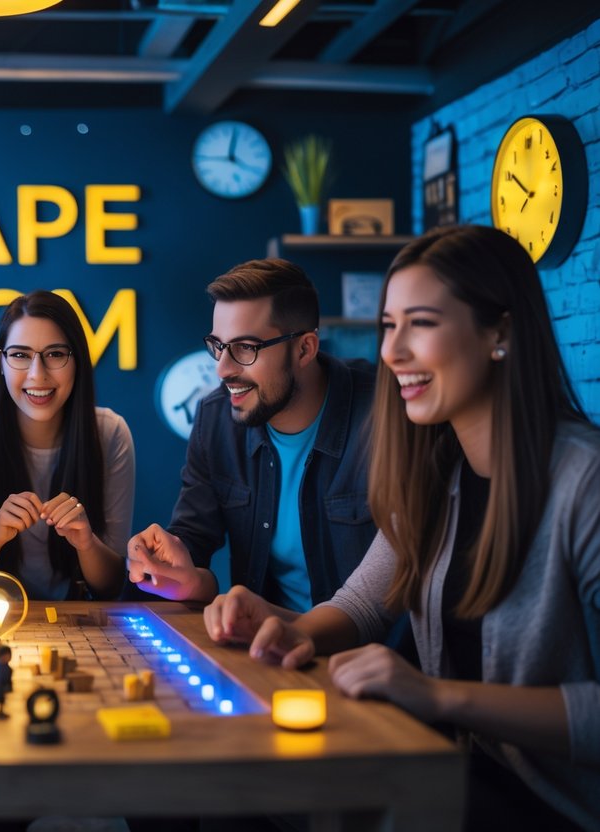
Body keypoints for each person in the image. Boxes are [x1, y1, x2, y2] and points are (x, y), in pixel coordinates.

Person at [205, 226, 599, 829]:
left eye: (421, 323)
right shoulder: (436, 474)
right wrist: (287, 626)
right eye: (389, 326)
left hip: (551, 805)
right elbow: (364, 602)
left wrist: (440, 696)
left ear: (501, 332)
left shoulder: (584, 480)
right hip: (444, 774)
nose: (393, 351)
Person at [126, 258, 376, 612]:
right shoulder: (215, 418)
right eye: (218, 345)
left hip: (370, 658)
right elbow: (194, 537)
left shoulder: (383, 417)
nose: (223, 369)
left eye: (246, 348)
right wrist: (169, 558)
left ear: (305, 348)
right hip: (266, 649)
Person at [0, 290, 135, 601]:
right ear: (1, 362)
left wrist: (86, 543)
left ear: (77, 362)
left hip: (82, 625)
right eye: (20, 355)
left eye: (56, 354)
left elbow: (112, 586)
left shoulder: (110, 433)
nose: (37, 374)